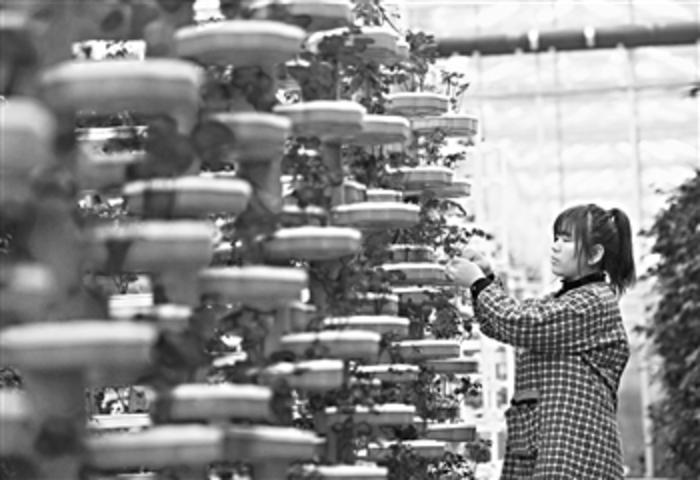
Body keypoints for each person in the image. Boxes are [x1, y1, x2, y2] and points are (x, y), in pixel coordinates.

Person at [447, 204, 636, 480]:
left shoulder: (594, 302)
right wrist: (486, 278)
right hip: (549, 447)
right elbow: (503, 323)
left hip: (576, 454)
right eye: (556, 238)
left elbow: (521, 323)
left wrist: (478, 284)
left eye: (566, 240)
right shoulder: (561, 300)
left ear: (595, 254)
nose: (555, 246)